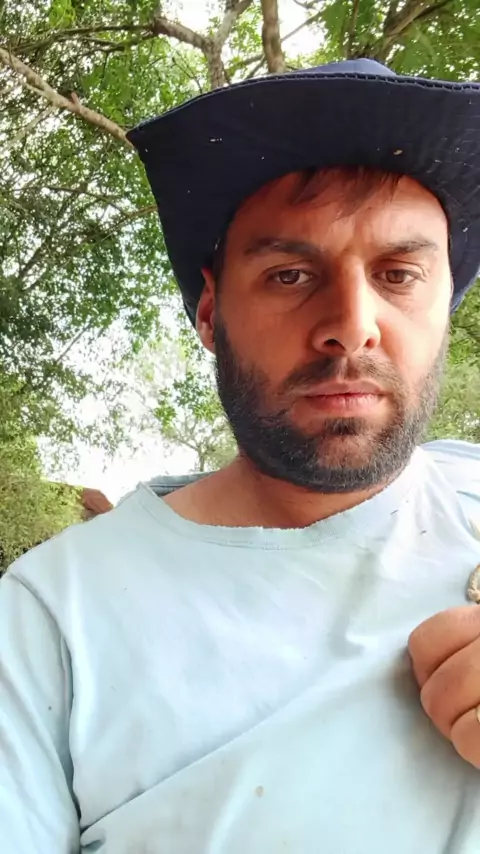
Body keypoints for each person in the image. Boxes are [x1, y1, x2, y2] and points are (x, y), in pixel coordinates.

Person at [2, 59, 480, 854]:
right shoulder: (53, 616)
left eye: (399, 275)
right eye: (291, 275)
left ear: (445, 308)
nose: (352, 324)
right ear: (210, 313)